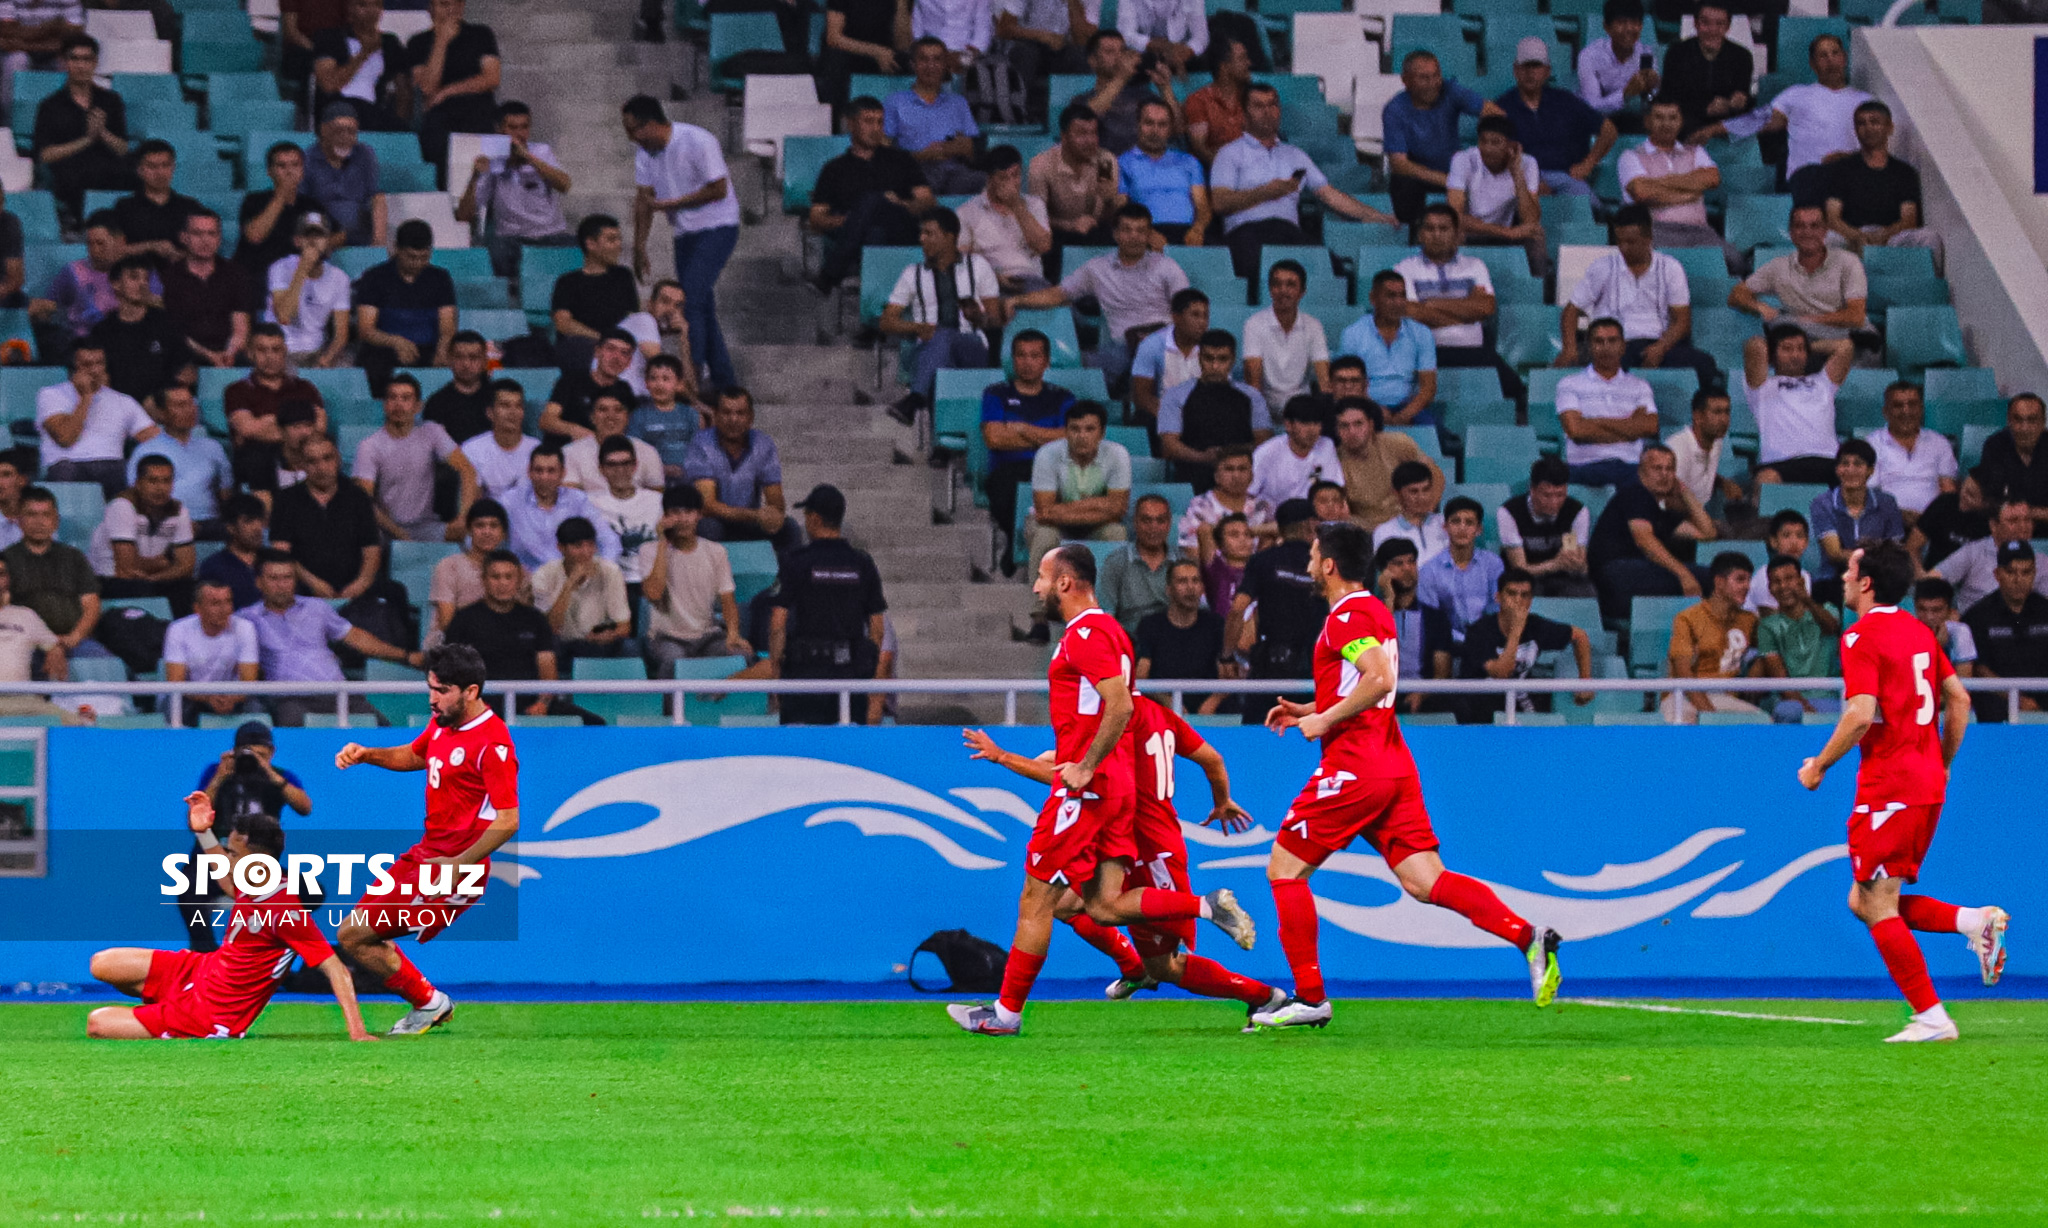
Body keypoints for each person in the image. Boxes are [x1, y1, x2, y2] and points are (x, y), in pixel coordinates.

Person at [1253, 521, 1563, 1029]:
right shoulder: (1373, 609)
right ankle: (1528, 937)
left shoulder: (1345, 617)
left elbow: (1379, 678)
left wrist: (1323, 720)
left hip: (1355, 766)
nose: (1309, 563)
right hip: (1393, 764)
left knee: (1284, 872)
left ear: (1329, 565)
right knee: (1425, 881)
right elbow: (1367, 686)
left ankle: (1310, 999)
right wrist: (1310, 706)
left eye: (1312, 555)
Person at [946, 542, 1254, 1036]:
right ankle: (1203, 905)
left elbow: (1121, 707)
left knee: (1036, 897)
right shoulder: (1111, 632)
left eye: (1043, 577)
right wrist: (1071, 754)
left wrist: (1086, 765)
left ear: (1065, 582)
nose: (1037, 586)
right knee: (1104, 904)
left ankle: (1005, 1014)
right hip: (1115, 788)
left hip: (1090, 791)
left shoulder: (1084, 634)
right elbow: (1105, 710)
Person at [1797, 539, 2006, 1042]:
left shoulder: (1859, 636)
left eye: (1849, 570)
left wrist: (1820, 765)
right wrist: (1945, 761)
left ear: (1866, 582)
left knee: (1876, 902)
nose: (1844, 577)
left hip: (1890, 785)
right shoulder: (1919, 631)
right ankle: (1972, 921)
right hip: (1926, 781)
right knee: (1864, 900)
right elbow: (1958, 699)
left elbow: (1860, 713)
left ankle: (1932, 1015)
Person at [962, 695, 1279, 1014]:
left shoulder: (1117, 717)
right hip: (1126, 838)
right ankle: (1134, 969)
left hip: (1150, 848)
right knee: (1062, 904)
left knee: (1165, 967)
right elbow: (1213, 759)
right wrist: (1222, 801)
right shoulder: (1160, 715)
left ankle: (1263, 994)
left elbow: (1074, 778)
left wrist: (1004, 757)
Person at [333, 641, 520, 1035]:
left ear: (471, 692)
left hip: (455, 868)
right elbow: (418, 755)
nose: (432, 699)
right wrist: (369, 754)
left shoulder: (493, 743)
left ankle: (428, 1002)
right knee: (354, 933)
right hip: (425, 856)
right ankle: (430, 1002)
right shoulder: (442, 723)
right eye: (430, 688)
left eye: (442, 691)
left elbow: (508, 821)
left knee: (354, 933)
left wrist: (459, 865)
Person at [87, 799, 373, 1041]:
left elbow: (336, 969)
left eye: (233, 852)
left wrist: (357, 1032)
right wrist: (204, 833)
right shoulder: (256, 879)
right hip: (200, 970)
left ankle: (174, 1016)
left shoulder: (286, 911)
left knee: (97, 1023)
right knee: (101, 963)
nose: (226, 856)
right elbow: (226, 881)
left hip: (212, 1012)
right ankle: (169, 1005)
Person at [1208, 83, 1396, 278]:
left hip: (1287, 231)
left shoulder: (1294, 154)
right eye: (1258, 106)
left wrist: (1374, 215)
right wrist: (1266, 192)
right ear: (1244, 113)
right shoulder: (1229, 153)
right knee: (1255, 270)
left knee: (1332, 269)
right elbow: (1220, 202)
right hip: (1247, 232)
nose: (1267, 112)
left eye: (1272, 105)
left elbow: (1329, 195)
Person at [624, 94, 740, 391]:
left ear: (650, 124)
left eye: (633, 129)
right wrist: (639, 246)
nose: (631, 137)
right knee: (702, 305)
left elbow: (718, 188)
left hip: (718, 225)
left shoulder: (697, 140)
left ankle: (694, 376)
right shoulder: (644, 154)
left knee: (689, 300)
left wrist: (674, 203)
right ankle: (725, 381)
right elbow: (644, 201)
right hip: (684, 233)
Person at [1003, 202, 1185, 385]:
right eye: (1127, 230)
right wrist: (1017, 300)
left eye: (1140, 231)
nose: (1134, 237)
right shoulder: (1098, 269)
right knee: (1060, 366)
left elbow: (1186, 308)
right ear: (1115, 234)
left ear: (1149, 235)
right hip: (1119, 350)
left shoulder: (1167, 267)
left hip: (1163, 345)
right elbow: (1059, 294)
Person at [243, 549, 419, 725]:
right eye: (274, 578)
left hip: (338, 691)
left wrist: (407, 656)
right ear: (259, 582)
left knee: (382, 726)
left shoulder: (317, 608)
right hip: (290, 698)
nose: (282, 585)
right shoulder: (247, 618)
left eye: (287, 577)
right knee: (293, 729)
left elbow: (357, 638)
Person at [1560, 206, 1716, 390]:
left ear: (1648, 237)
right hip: (1616, 345)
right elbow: (1571, 311)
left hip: (1658, 343)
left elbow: (1682, 321)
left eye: (1631, 242)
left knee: (1705, 364)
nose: (1624, 248)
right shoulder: (1602, 267)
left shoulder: (1671, 268)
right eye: (1620, 242)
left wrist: (1661, 347)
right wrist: (1570, 348)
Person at [770, 484, 888, 726]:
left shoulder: (796, 562)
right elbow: (877, 627)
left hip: (806, 675)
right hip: (850, 673)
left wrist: (775, 669)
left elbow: (777, 624)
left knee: (801, 753)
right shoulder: (862, 563)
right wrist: (867, 669)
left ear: (814, 519)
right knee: (846, 750)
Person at [441, 549, 598, 722]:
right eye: (496, 577)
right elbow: (451, 673)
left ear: (519, 580)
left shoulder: (535, 619)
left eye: (509, 577)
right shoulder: (463, 620)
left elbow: (547, 667)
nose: (503, 583)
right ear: (484, 580)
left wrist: (543, 703)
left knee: (594, 723)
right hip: (481, 706)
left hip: (531, 704)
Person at [1019, 400, 1129, 633]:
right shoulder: (1047, 455)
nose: (1082, 436)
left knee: (1116, 532)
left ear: (1102, 433)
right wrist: (1098, 504)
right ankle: (1039, 617)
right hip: (1054, 525)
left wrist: (1068, 509)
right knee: (1044, 536)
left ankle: (1105, 611)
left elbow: (1118, 509)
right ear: (1066, 431)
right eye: (1075, 429)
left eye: (1089, 429)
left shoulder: (1118, 455)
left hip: (1094, 525)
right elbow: (1045, 512)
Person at [879, 208, 1000, 417]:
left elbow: (996, 319)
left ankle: (915, 399)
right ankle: (941, 446)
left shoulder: (978, 266)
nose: (922, 239)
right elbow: (886, 322)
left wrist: (979, 318)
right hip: (931, 351)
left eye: (929, 233)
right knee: (939, 364)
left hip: (971, 346)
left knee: (942, 336)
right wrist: (917, 327)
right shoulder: (912, 274)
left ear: (949, 237)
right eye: (921, 233)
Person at [1395, 206, 1522, 401]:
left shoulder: (1475, 265)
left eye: (1444, 229)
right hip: (1428, 352)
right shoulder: (1404, 268)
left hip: (1473, 350)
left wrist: (1431, 303)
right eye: (1430, 228)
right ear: (1420, 234)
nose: (1436, 235)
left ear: (1457, 234)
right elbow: (1414, 313)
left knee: (1516, 389)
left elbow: (1486, 308)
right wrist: (1467, 314)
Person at [808, 95, 932, 294]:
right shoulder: (834, 169)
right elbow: (816, 218)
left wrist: (902, 203)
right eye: (868, 121)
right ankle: (873, 298)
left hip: (901, 226)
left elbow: (926, 201)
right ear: (850, 124)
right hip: (861, 235)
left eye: (880, 122)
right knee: (874, 229)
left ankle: (830, 275)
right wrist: (850, 220)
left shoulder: (900, 159)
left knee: (875, 201)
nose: (876, 128)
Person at [981, 329, 1075, 571]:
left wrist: (1021, 429)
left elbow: (1069, 439)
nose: (1027, 362)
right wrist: (1045, 438)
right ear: (1013, 359)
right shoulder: (996, 393)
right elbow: (994, 439)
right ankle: (1016, 543)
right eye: (1021, 356)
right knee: (1002, 493)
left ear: (1046, 361)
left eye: (1034, 356)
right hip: (1008, 469)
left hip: (1052, 470)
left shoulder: (1062, 397)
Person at [1588, 443, 1716, 619]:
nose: (1664, 474)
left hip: (1635, 574)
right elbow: (1644, 540)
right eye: (1657, 468)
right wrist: (1684, 576)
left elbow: (1707, 533)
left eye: (1670, 469)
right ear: (1641, 471)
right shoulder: (1635, 495)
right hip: (1615, 574)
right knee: (1708, 578)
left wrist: (1684, 491)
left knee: (1712, 577)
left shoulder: (1660, 512)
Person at [1729, 204, 1870, 361]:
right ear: (1791, 232)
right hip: (1802, 339)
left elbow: (1855, 316)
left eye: (1814, 226)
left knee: (1786, 326)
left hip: (1844, 335)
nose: (1807, 232)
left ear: (1825, 231)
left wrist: (1808, 320)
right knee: (1782, 330)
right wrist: (1757, 306)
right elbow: (1736, 295)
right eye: (1800, 226)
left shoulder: (1848, 262)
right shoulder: (1779, 267)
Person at [1227, 498, 1323, 725]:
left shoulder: (1263, 561)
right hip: (1317, 667)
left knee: (1256, 734)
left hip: (1270, 666)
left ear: (1279, 527)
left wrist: (1226, 654)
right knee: (1313, 737)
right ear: (1311, 524)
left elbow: (1237, 609)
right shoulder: (1325, 564)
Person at [455, 100, 574, 278]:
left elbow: (565, 185)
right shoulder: (492, 160)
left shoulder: (541, 152)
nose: (520, 134)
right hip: (511, 239)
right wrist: (474, 177)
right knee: (492, 251)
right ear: (500, 129)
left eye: (524, 127)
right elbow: (463, 216)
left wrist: (528, 157)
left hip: (550, 234)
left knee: (578, 247)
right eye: (513, 127)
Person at [1459, 567, 1594, 722]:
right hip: (1480, 709)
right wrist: (1516, 630)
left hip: (1522, 705)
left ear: (1530, 601)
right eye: (1511, 593)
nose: (1518, 600)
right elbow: (1501, 674)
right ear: (1498, 597)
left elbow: (1580, 636)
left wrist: (1585, 681)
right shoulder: (1479, 631)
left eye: (1525, 595)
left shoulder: (1535, 625)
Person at [641, 483, 750, 674]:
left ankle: (717, 704)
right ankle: (668, 705)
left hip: (707, 636)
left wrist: (733, 634)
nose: (682, 519)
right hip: (666, 637)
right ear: (665, 517)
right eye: (675, 512)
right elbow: (654, 593)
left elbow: (727, 600)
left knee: (742, 654)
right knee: (674, 661)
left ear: (699, 514)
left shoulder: (716, 552)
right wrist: (661, 544)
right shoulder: (649, 551)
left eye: (689, 511)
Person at [1620, 98, 1739, 271]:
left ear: (1681, 121)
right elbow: (1642, 192)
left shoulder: (1696, 151)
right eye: (1659, 117)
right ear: (1647, 121)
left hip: (1699, 231)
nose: (1666, 124)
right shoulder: (1631, 156)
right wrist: (1690, 192)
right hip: (1655, 230)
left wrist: (1662, 183)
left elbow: (1712, 179)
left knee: (1734, 260)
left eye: (1672, 118)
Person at [268, 434, 388, 606]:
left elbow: (371, 550)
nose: (321, 467)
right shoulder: (286, 500)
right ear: (302, 464)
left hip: (353, 583)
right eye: (312, 461)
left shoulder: (357, 497)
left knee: (394, 592)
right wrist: (314, 583)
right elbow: (281, 552)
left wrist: (360, 583)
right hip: (304, 585)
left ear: (337, 459)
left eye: (327, 458)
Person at [1493, 37, 1617, 203]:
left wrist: (1588, 163)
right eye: (1525, 67)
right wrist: (1529, 182)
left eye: (1536, 66)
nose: (1530, 72)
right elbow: (1496, 153)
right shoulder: (1501, 107)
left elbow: (1609, 131)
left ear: (1547, 70)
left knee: (1591, 209)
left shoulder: (1565, 100)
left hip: (1566, 177)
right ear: (1516, 70)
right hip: (1521, 181)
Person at [1749, 36, 1870, 204]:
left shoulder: (1866, 101)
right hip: (1806, 181)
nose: (1830, 60)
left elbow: (1877, 148)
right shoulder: (1796, 94)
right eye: (1823, 55)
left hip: (1851, 180)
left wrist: (1848, 158)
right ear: (1813, 64)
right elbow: (1761, 121)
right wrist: (1712, 130)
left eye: (1835, 53)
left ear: (1844, 58)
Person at [355, 373, 476, 543]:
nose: (398, 405)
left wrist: (464, 516)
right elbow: (364, 501)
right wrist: (401, 535)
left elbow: (467, 470)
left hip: (426, 525)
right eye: (393, 398)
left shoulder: (432, 432)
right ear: (385, 405)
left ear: (418, 406)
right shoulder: (369, 446)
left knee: (470, 534)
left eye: (406, 398)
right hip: (386, 528)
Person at [1823, 100, 1941, 265]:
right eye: (1861, 123)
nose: (1868, 128)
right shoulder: (1841, 169)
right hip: (1851, 237)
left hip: (1891, 237)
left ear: (1889, 127)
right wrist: (1856, 236)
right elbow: (1832, 218)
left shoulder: (1904, 172)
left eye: (1875, 122)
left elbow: (1909, 219)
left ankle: (1928, 289)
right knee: (1826, 239)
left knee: (1929, 238)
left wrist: (1884, 235)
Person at [1384, 49, 1494, 224]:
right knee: (1403, 183)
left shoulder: (1450, 90)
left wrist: (1488, 144)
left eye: (1436, 76)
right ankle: (1412, 236)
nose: (1432, 83)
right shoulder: (1395, 109)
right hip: (1420, 175)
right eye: (1423, 78)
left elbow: (1494, 113)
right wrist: (1449, 181)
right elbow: (1399, 164)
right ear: (1406, 81)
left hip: (1454, 169)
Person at [36, 341, 156, 496]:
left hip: (111, 467)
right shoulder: (51, 395)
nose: (94, 370)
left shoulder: (123, 401)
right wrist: (86, 397)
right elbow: (66, 438)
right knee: (66, 471)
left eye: (99, 363)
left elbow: (153, 439)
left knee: (128, 474)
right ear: (74, 368)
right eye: (87, 364)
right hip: (67, 465)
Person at [30, 34, 128, 220]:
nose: (81, 65)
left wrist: (103, 134)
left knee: (131, 172)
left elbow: (123, 148)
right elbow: (44, 155)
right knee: (75, 176)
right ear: (64, 62)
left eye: (87, 59)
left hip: (107, 168)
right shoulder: (50, 105)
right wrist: (87, 141)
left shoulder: (111, 101)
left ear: (95, 62)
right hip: (69, 170)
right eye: (74, 58)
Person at [1157, 330, 1269, 492]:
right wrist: (1202, 457)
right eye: (1208, 358)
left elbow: (1263, 440)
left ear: (1232, 360)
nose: (1215, 366)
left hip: (1242, 474)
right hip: (1194, 473)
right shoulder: (1176, 395)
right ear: (1199, 358)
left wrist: (1229, 458)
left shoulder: (1252, 396)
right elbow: (1169, 444)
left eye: (1222, 359)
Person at [1745, 323, 1854, 488]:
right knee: (1765, 480)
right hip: (1780, 463)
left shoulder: (1823, 382)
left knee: (1854, 477)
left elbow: (1846, 346)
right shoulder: (1762, 386)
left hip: (1827, 460)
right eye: (1787, 349)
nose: (1795, 355)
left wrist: (1808, 347)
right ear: (1773, 354)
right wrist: (1776, 345)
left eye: (1801, 349)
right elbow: (1755, 345)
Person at [685, 386, 794, 550]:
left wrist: (773, 515)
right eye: (726, 413)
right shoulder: (701, 443)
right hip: (715, 520)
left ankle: (787, 576)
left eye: (740, 413)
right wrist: (755, 515)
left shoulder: (763, 444)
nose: (733, 419)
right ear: (715, 414)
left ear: (751, 417)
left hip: (749, 521)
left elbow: (775, 498)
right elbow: (708, 505)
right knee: (709, 528)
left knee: (789, 528)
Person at [353, 219, 457, 390]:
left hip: (428, 348)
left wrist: (444, 346)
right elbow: (365, 330)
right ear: (396, 249)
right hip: (385, 349)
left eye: (424, 257)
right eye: (411, 257)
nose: (417, 263)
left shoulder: (440, 278)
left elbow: (447, 325)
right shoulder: (374, 277)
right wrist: (396, 341)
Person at [1555, 317, 1657, 488]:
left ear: (1623, 346)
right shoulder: (1569, 383)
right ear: (1589, 346)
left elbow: (1650, 427)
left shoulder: (1640, 386)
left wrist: (1596, 422)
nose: (1606, 347)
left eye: (1612, 341)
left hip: (1630, 465)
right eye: (1599, 341)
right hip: (1585, 465)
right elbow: (1577, 431)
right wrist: (1629, 428)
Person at [225, 325, 327, 495]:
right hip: (259, 459)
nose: (270, 357)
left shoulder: (305, 388)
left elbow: (319, 427)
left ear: (285, 352)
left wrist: (268, 421)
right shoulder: (237, 390)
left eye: (276, 350)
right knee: (256, 454)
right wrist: (294, 428)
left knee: (324, 451)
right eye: (262, 350)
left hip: (301, 453)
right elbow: (247, 429)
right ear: (250, 353)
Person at [1662, 550, 1761, 723]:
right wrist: (1710, 716)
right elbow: (1683, 672)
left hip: (1726, 699)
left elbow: (1771, 647)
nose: (1747, 586)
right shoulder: (1687, 619)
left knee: (1762, 723)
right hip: (1683, 696)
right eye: (1740, 579)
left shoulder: (1749, 620)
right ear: (1719, 582)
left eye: (1748, 580)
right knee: (1680, 722)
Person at [88, 453, 194, 610]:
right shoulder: (122, 506)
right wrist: (161, 564)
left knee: (192, 589)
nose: (160, 488)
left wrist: (155, 577)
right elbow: (125, 568)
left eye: (166, 481)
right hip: (109, 580)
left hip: (149, 580)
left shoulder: (178, 510)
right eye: (152, 481)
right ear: (138, 483)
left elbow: (187, 565)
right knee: (142, 590)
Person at [32, 211, 146, 353]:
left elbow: (158, 305)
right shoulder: (73, 271)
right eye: (90, 244)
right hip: (82, 346)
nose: (94, 250)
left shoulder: (140, 273)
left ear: (121, 241)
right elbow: (49, 306)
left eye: (100, 244)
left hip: (129, 344)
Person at [1445, 118, 1545, 279]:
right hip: (1470, 231)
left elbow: (1531, 219)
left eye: (1495, 142)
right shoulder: (1463, 159)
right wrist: (1507, 233)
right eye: (1483, 142)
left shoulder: (1528, 163)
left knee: (1536, 234)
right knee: (1449, 231)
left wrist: (1517, 175)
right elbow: (1454, 216)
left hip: (1507, 232)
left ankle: (1539, 294)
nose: (1488, 149)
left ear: (1512, 146)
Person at [406, 0, 501, 167]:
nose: (451, 9)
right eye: (443, 4)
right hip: (441, 123)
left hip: (477, 117)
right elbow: (427, 87)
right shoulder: (418, 42)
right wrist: (441, 41)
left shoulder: (481, 34)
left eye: (456, 4)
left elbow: (491, 78)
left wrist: (447, 91)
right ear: (431, 9)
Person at [884, 39, 985, 195]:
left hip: (954, 172)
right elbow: (884, 153)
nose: (931, 66)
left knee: (986, 181)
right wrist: (922, 155)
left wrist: (957, 148)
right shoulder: (895, 101)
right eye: (923, 59)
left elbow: (971, 149)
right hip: (916, 170)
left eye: (937, 59)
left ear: (945, 65)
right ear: (913, 64)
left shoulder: (958, 102)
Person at [1810, 438, 1906, 601]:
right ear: (1837, 469)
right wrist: (1876, 556)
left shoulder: (1887, 503)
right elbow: (1835, 553)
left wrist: (1874, 562)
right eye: (1845, 464)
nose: (1850, 470)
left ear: (1870, 470)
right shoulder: (1822, 503)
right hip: (1834, 579)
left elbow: (1894, 551)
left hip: (1878, 577)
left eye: (1858, 464)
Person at [129, 385, 233, 536]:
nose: (189, 410)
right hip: (164, 521)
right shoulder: (146, 450)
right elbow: (137, 496)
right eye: (180, 405)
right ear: (161, 413)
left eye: (191, 403)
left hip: (210, 521)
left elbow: (226, 492)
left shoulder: (213, 447)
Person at [1961, 541, 2048, 720]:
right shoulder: (1978, 616)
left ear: (2034, 573)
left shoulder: (2045, 610)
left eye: (2026, 572)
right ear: (1997, 574)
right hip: (1995, 714)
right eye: (2011, 572)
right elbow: (1978, 668)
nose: (2018, 580)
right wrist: (2016, 699)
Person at [1340, 271, 1437, 428]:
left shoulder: (1421, 333)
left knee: (1433, 431)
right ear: (1373, 299)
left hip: (1408, 406)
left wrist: (1404, 415)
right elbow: (1349, 384)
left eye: (1402, 296)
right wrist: (1375, 409)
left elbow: (1428, 387)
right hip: (1366, 404)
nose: (1398, 302)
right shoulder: (1353, 334)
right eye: (1391, 296)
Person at [1753, 553, 1841, 724]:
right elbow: (1780, 679)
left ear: (1801, 581)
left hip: (1829, 696)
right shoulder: (1767, 626)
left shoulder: (1828, 611)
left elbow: (1831, 628)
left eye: (1789, 579)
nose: (1783, 586)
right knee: (1788, 712)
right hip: (1791, 702)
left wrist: (1806, 600)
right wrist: (1807, 711)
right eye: (1776, 582)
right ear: (1770, 588)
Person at [161, 210, 253, 371]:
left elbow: (240, 326)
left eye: (211, 234)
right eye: (197, 233)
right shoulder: (170, 277)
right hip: (186, 352)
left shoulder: (235, 274)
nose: (205, 240)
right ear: (184, 237)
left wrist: (229, 353)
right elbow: (174, 331)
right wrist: (209, 355)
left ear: (219, 238)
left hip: (229, 353)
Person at [549, 214, 640, 374]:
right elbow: (563, 323)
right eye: (612, 240)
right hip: (584, 346)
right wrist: (603, 340)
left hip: (619, 344)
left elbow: (632, 315)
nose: (618, 245)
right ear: (591, 243)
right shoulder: (568, 281)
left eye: (619, 239)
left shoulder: (623, 276)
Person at [1130, 559, 1225, 712]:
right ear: (1169, 589)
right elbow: (1141, 675)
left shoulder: (1215, 624)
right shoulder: (1150, 625)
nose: (1190, 588)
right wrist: (1168, 701)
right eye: (1182, 581)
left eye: (1196, 581)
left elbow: (1227, 675)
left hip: (1207, 713)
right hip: (1163, 711)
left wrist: (1212, 702)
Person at [504, 444, 620, 569]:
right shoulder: (510, 501)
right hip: (526, 579)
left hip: (570, 577)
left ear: (563, 473)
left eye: (551, 471)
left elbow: (609, 539)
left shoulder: (578, 500)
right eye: (539, 470)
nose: (544, 477)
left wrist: (600, 570)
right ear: (529, 472)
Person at [87, 255, 182, 405]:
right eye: (134, 278)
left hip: (159, 408)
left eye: (146, 279)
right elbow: (98, 376)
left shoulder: (166, 324)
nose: (142, 284)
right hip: (117, 407)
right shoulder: (102, 331)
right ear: (116, 283)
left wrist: (158, 400)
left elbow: (182, 372)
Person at [1335, 397, 1442, 530]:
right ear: (1337, 430)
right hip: (1366, 531)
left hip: (1408, 522)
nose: (1352, 432)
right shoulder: (1334, 460)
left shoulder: (1397, 443)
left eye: (1358, 424)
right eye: (1344, 426)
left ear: (1371, 424)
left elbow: (1434, 474)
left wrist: (1428, 511)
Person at [1029, 102, 1125, 251]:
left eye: (1094, 133)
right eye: (1081, 134)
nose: (1090, 141)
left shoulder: (1104, 161)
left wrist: (1111, 203)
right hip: (1057, 236)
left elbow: (1108, 217)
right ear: (1064, 137)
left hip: (1097, 233)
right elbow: (1037, 220)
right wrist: (1070, 225)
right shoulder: (1041, 165)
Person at [958, 145, 1054, 293]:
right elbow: (962, 259)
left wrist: (1016, 205)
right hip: (990, 283)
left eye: (1015, 175)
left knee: (1067, 308)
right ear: (989, 179)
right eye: (1003, 177)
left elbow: (1043, 246)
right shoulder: (967, 212)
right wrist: (992, 276)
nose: (1011, 183)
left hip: (1031, 281)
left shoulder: (1034, 205)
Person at [531, 516, 630, 659]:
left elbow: (624, 627)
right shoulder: (543, 575)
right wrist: (569, 585)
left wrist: (609, 635)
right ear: (561, 548)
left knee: (628, 647)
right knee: (548, 646)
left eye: (590, 545)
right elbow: (551, 628)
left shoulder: (610, 572)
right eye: (578, 546)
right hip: (562, 644)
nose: (586, 552)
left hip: (598, 644)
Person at [1374, 535, 1452, 714]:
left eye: (1411, 562)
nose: (1407, 568)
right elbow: (1372, 656)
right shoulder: (1366, 615)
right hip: (1375, 694)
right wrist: (1388, 600)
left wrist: (1421, 693)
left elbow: (1442, 673)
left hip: (1423, 695)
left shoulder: (1436, 618)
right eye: (1398, 564)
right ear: (1382, 571)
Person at [264, 212, 352, 369]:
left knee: (348, 368)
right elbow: (284, 315)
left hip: (317, 351)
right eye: (307, 236)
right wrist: (302, 269)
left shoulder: (340, 278)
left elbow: (341, 335)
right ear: (297, 241)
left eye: (319, 236)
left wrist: (326, 359)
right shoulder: (280, 268)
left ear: (328, 241)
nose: (313, 242)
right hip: (282, 350)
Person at [1498, 456, 1594, 597]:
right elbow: (1519, 568)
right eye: (1547, 495)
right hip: (1524, 578)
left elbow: (1577, 563)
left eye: (1560, 495)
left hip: (1562, 578)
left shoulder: (1577, 512)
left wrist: (1578, 564)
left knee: (1585, 591)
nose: (1554, 502)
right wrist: (1555, 564)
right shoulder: (1509, 512)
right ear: (1532, 490)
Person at [580, 434, 664, 595]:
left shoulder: (657, 501)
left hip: (651, 581)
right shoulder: (589, 504)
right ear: (601, 469)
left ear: (635, 465)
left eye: (625, 464)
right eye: (612, 465)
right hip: (607, 583)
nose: (620, 471)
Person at [1242, 261, 1329, 413]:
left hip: (1302, 407)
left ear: (1302, 291)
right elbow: (1253, 381)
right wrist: (1260, 417)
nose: (1283, 290)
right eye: (1277, 284)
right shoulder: (1254, 324)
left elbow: (1324, 378)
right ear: (1270, 289)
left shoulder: (1314, 326)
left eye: (1290, 285)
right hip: (1266, 405)